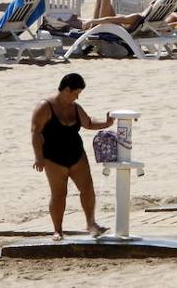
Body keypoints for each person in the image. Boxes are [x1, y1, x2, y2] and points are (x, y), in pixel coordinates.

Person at [30, 73, 114, 241]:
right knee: (59, 194)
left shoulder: (75, 107)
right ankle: (58, 230)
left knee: (88, 189)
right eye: (76, 93)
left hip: (76, 154)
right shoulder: (45, 107)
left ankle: (91, 224)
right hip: (54, 158)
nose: (77, 97)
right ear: (66, 90)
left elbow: (88, 123)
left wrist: (107, 123)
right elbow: (35, 132)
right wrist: (39, 157)